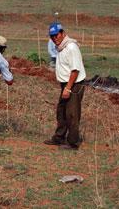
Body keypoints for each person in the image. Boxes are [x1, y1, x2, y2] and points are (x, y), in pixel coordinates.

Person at [43, 22, 86, 150]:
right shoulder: (61, 47)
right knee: (61, 111)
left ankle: (73, 143)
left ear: (63, 33)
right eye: (52, 36)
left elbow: (75, 70)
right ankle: (59, 137)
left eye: (57, 35)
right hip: (66, 84)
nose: (55, 38)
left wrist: (68, 88)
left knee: (72, 113)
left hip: (74, 85)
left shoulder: (71, 47)